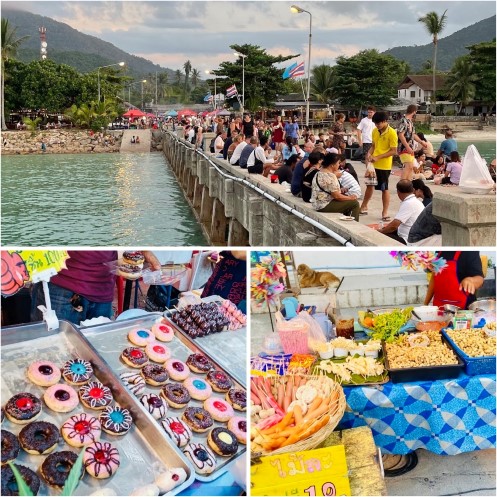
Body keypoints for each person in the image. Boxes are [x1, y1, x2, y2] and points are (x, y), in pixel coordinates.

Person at [31, 251, 161, 324]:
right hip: (60, 285)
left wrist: (143, 250)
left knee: (94, 353)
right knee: (52, 347)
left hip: (102, 287)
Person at [359, 111, 398, 220]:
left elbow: (394, 151)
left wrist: (378, 157)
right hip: (373, 164)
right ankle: (364, 206)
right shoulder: (375, 131)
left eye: (379, 123)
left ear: (385, 121)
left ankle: (384, 212)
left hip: (384, 165)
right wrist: (369, 153)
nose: (377, 125)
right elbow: (373, 145)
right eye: (375, 123)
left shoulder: (392, 133)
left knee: (384, 188)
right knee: (369, 186)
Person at [310, 153, 360, 220]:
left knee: (346, 201)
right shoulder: (331, 176)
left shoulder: (318, 173)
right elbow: (337, 196)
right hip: (324, 205)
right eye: (338, 163)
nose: (339, 165)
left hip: (317, 203)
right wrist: (351, 197)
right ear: (332, 165)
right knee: (354, 204)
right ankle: (354, 225)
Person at [377, 180, 424, 244]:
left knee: (378, 237)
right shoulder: (416, 201)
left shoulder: (409, 203)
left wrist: (380, 232)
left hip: (408, 239)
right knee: (385, 230)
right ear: (413, 190)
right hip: (413, 235)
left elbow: (394, 226)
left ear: (398, 192)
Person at [397, 104, 427, 180]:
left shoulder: (410, 122)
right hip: (404, 148)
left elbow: (413, 134)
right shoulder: (404, 121)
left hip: (409, 147)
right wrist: (407, 147)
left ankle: (408, 185)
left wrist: (421, 142)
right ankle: (402, 185)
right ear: (414, 112)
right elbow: (400, 134)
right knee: (408, 166)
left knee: (411, 168)